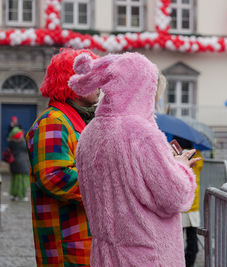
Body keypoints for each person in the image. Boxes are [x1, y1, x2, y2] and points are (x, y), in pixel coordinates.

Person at [68, 52, 198, 266]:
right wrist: (181, 167)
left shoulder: (89, 133)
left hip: (104, 255)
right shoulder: (142, 134)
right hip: (147, 255)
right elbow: (176, 196)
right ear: (143, 89)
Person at [25, 48, 100, 266]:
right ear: (74, 83)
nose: (100, 84)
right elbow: (54, 177)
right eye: (92, 78)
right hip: (67, 246)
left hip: (80, 240)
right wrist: (109, 185)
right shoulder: (54, 121)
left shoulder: (73, 120)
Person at [173, 136, 204, 267]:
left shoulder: (192, 156)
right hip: (188, 206)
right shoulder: (197, 155)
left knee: (179, 246)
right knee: (190, 246)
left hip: (183, 207)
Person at [8, 126, 30, 201]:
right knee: (23, 181)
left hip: (14, 164)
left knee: (15, 180)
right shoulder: (22, 143)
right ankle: (21, 196)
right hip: (22, 165)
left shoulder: (11, 143)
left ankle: (14, 195)